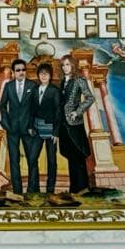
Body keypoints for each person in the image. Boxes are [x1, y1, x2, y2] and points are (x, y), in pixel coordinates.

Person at [0, 58, 38, 195]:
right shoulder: (8, 86)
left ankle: (32, 190)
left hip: (29, 128)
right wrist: (6, 123)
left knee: (32, 159)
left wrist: (33, 126)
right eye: (18, 70)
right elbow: (2, 106)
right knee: (14, 160)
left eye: (23, 70)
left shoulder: (33, 85)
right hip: (12, 129)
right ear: (14, 72)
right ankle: (17, 192)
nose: (21, 72)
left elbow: (36, 107)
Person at [59, 55, 94, 193]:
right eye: (63, 65)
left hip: (75, 123)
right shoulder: (62, 82)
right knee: (70, 155)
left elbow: (90, 98)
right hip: (64, 124)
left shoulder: (80, 80)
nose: (65, 67)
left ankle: (83, 187)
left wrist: (77, 112)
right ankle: (74, 189)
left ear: (72, 65)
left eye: (67, 64)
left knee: (78, 154)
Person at [27, 62, 61, 194]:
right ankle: (33, 187)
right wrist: (30, 126)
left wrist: (56, 132)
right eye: (41, 73)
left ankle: (50, 189)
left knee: (51, 160)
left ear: (50, 76)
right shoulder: (35, 90)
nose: (44, 76)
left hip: (51, 129)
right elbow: (31, 110)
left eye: (46, 73)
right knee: (32, 158)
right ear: (38, 75)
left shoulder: (54, 91)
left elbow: (58, 112)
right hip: (36, 128)